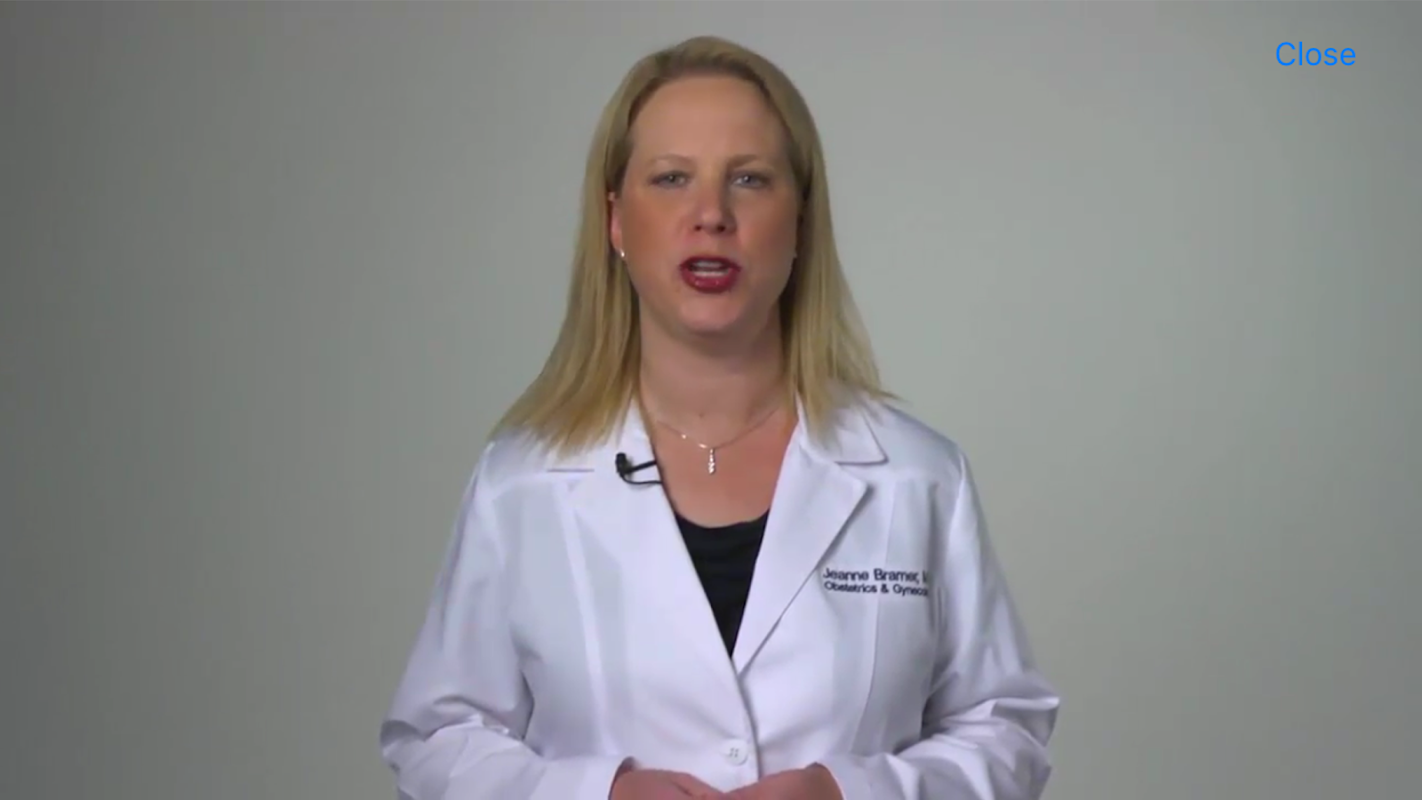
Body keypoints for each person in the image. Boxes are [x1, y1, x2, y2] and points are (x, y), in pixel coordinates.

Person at [378, 35, 1059, 800]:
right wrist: (597, 795)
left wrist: (849, 794)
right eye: (671, 178)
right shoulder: (521, 482)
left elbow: (1004, 731)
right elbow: (437, 742)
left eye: (749, 179)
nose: (711, 215)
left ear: (800, 221)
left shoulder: (918, 477)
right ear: (615, 222)